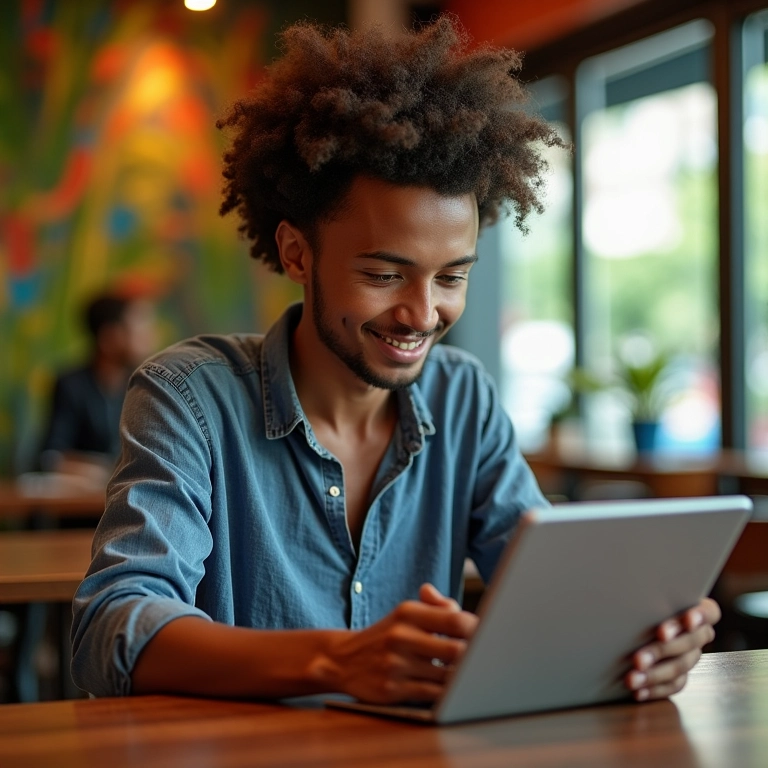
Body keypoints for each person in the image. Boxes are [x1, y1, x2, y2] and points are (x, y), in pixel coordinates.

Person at [71, 17, 719, 704]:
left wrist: (641, 640)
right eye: (384, 275)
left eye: (452, 277)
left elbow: (547, 591)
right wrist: (337, 661)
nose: (422, 314)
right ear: (297, 254)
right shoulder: (189, 397)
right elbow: (112, 630)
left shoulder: (462, 397)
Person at [40, 292, 158, 484]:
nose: (150, 335)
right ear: (108, 337)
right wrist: (107, 470)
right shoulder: (71, 385)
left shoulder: (146, 386)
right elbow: (52, 457)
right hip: (81, 506)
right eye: (140, 326)